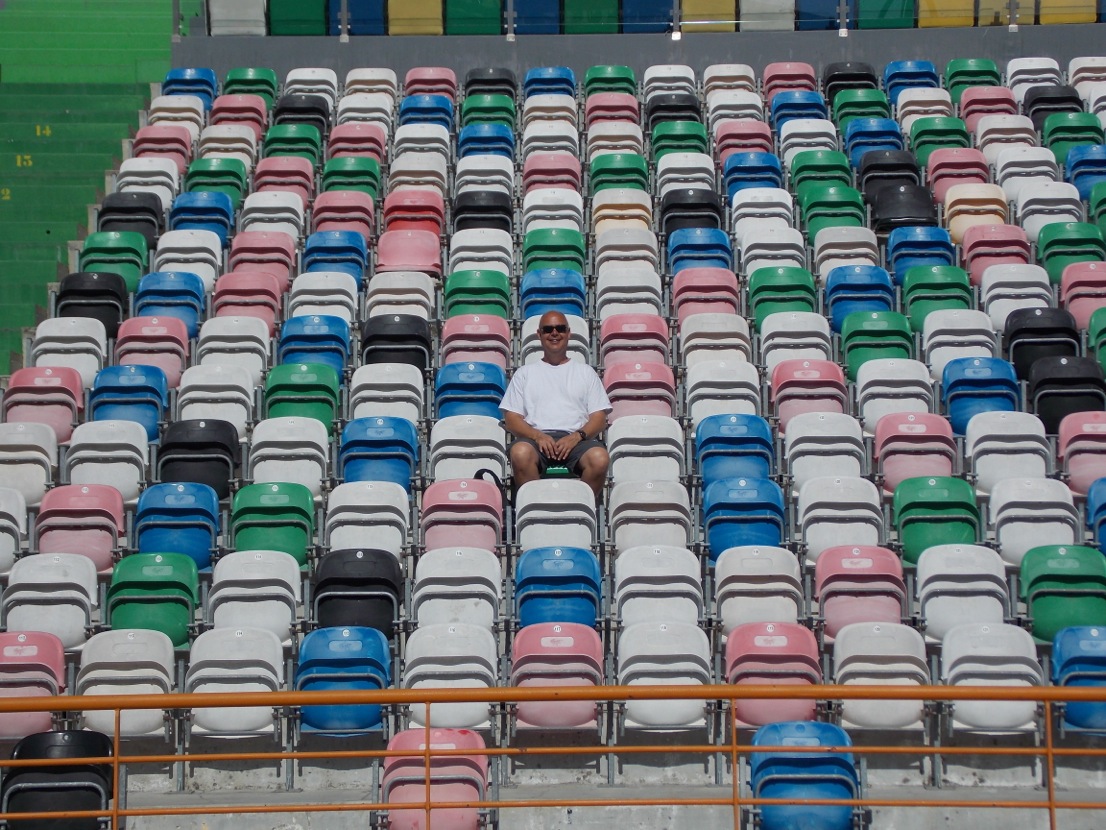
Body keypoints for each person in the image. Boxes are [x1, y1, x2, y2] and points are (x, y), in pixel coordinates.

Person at [499, 311, 611, 500]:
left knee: (599, 458)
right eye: (548, 329)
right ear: (539, 334)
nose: (554, 333)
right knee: (520, 452)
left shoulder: (586, 372)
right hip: (535, 440)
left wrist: (576, 437)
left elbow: (599, 418)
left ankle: (578, 512)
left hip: (577, 440)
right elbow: (511, 419)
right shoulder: (524, 373)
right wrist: (538, 436)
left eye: (560, 328)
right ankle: (537, 511)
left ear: (568, 333)